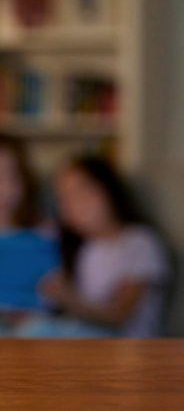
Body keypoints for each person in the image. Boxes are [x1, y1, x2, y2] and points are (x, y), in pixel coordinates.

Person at [25, 155, 171, 338]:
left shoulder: (140, 242)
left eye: (82, 190)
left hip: (128, 347)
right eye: (64, 198)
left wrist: (69, 298)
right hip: (90, 343)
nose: (75, 204)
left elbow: (119, 315)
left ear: (107, 189)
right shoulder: (87, 248)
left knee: (39, 331)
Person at [0, 134, 58, 322]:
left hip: (35, 331)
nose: (5, 188)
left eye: (12, 175)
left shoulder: (44, 235)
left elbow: (54, 292)